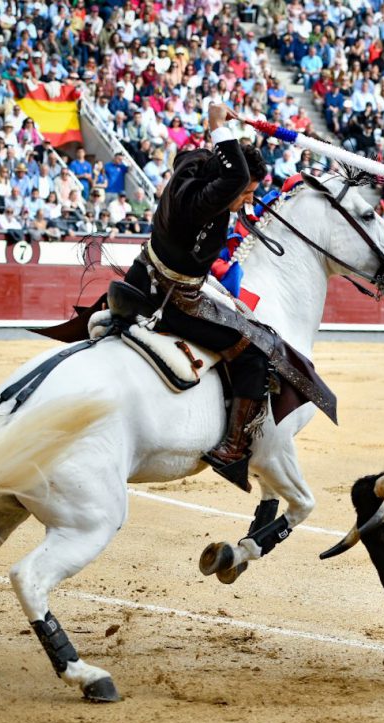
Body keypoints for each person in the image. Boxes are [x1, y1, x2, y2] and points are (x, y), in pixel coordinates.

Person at [119, 103, 271, 491]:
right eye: (247, 193)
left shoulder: (188, 171)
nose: (247, 201)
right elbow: (234, 174)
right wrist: (219, 125)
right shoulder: (207, 203)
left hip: (141, 278)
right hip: (173, 302)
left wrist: (227, 138)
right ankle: (232, 449)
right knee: (253, 352)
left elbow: (217, 161)